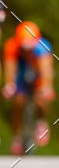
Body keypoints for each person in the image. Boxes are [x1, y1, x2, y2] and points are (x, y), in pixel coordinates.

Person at [2, 21, 55, 155]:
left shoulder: (43, 47)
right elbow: (9, 67)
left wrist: (46, 87)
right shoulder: (11, 46)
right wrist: (9, 85)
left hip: (38, 74)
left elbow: (46, 70)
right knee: (18, 102)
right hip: (20, 73)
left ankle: (41, 123)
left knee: (41, 98)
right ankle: (17, 138)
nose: (26, 50)